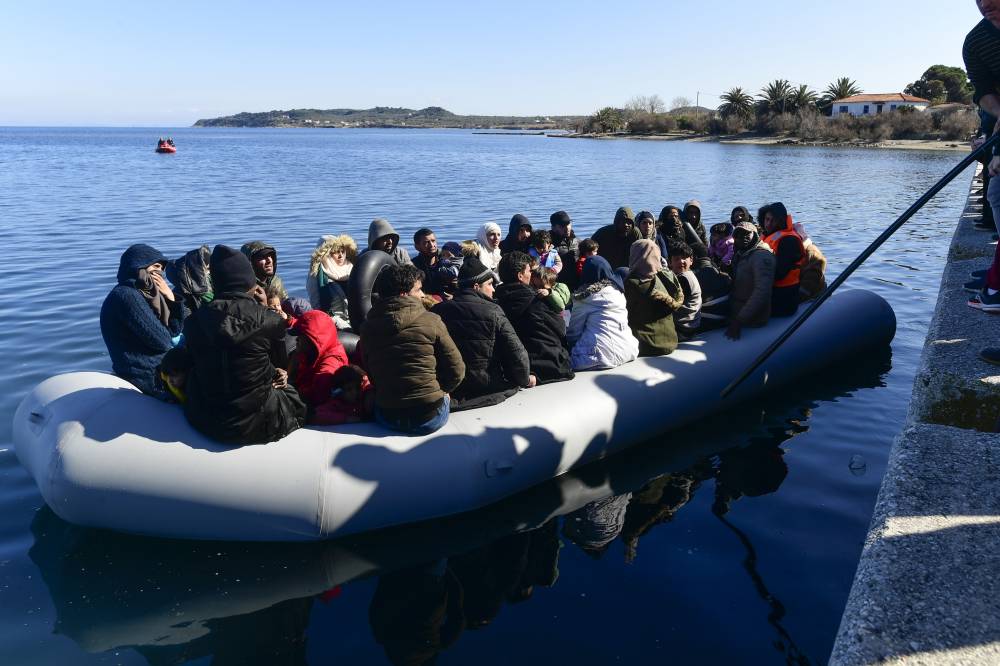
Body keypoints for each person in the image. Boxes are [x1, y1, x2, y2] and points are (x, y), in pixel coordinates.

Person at [182, 245, 307, 445]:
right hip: (260, 423)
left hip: (208, 420)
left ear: (216, 282)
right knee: (290, 390)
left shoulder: (193, 322)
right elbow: (280, 363)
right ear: (249, 280)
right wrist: (264, 307)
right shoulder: (269, 320)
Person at [361, 264, 465, 435]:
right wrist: (443, 391)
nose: (423, 294)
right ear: (404, 294)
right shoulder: (432, 320)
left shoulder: (366, 328)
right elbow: (457, 370)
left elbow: (371, 373)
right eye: (418, 290)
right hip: (431, 416)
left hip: (388, 417)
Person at [432, 256, 533, 410]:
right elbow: (517, 354)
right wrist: (524, 379)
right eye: (490, 284)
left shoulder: (437, 311)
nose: (493, 289)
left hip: (453, 391)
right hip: (488, 388)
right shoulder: (493, 311)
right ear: (477, 286)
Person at [100, 244, 186, 398]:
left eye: (162, 269)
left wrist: (171, 299)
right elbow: (163, 341)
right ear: (140, 266)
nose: (159, 274)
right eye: (155, 267)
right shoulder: (126, 296)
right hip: (145, 374)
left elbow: (174, 330)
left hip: (156, 367)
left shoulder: (147, 295)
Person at [495, 251, 575, 384]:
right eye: (529, 271)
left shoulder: (496, 303)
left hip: (512, 369)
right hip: (548, 366)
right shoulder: (537, 302)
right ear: (520, 276)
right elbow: (560, 330)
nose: (532, 275)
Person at [567, 256, 640, 370]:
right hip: (628, 349)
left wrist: (568, 347)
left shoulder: (585, 299)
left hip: (598, 356)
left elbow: (574, 332)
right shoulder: (618, 293)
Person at [624, 239, 683, 356]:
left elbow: (625, 314)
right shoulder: (665, 277)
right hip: (670, 341)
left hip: (648, 345)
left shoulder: (633, 283)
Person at [289, 310, 350, 409]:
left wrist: (288, 390)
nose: (297, 339)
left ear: (311, 338)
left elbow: (318, 396)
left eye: (300, 336)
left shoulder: (331, 362)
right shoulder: (309, 353)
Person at [726, 222, 776, 340]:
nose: (742, 238)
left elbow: (762, 292)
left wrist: (739, 320)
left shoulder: (762, 257)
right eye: (738, 235)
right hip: (737, 309)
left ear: (755, 235)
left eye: (747, 234)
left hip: (753, 319)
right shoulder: (742, 253)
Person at [761, 202, 806, 318]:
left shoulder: (788, 241)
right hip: (769, 291)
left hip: (783, 298)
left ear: (781, 221)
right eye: (767, 219)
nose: (768, 224)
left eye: (773, 220)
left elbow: (780, 273)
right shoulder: (767, 236)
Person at [307, 234, 356, 322]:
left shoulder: (351, 268)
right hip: (332, 320)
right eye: (336, 252)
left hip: (354, 316)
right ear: (326, 254)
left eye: (342, 251)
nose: (341, 255)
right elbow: (316, 305)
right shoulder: (316, 275)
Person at [667, 240, 703, 339]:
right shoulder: (689, 274)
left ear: (691, 260)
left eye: (684, 258)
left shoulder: (684, 279)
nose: (681, 261)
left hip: (684, 327)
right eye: (677, 259)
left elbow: (671, 303)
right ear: (670, 262)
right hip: (691, 324)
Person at [549, 210, 581, 289]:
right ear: (553, 227)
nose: (567, 228)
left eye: (568, 224)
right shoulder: (548, 244)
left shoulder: (576, 241)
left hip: (577, 285)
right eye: (562, 226)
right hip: (558, 286)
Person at [412, 227, 447, 296]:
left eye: (433, 241)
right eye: (426, 242)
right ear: (417, 247)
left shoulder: (446, 261)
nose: (431, 245)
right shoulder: (414, 266)